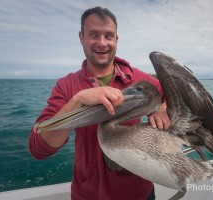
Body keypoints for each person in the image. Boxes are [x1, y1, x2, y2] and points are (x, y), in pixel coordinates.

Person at [29, 7, 170, 200]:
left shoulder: (137, 79)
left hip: (139, 194)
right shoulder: (66, 86)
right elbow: (39, 149)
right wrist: (78, 100)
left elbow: (169, 95)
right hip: (88, 195)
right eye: (94, 35)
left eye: (109, 36)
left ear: (116, 40)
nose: (102, 43)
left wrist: (162, 109)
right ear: (81, 37)